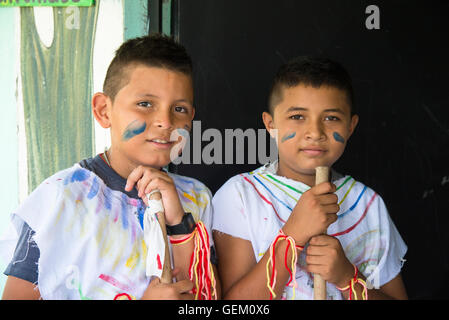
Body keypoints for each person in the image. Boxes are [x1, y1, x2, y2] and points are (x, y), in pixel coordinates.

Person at [0, 34, 218, 300]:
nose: (165, 121)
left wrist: (178, 223)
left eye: (180, 109)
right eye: (145, 104)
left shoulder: (197, 198)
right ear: (104, 110)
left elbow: (207, 296)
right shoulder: (61, 200)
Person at [212, 56, 408, 300]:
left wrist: (347, 278)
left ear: (350, 126)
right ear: (271, 124)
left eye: (331, 118)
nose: (315, 133)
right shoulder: (240, 196)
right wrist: (292, 236)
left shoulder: (368, 205)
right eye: (297, 117)